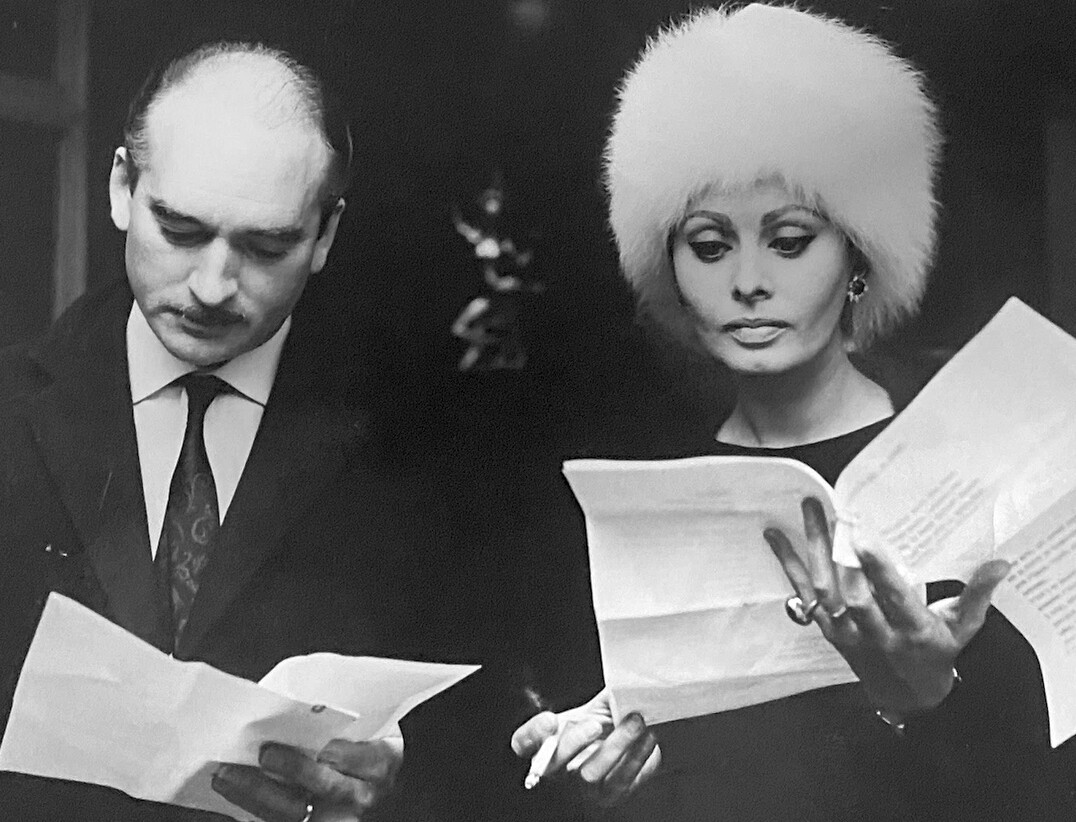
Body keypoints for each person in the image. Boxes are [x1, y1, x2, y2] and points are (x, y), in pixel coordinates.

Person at [511, 4, 1076, 819]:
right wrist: (587, 769)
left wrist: (927, 700)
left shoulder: (994, 448)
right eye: (710, 246)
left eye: (789, 240)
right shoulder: (631, 494)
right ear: (668, 268)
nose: (748, 282)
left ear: (859, 256)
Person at [0, 42, 457, 822]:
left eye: (265, 247)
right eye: (180, 231)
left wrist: (392, 784)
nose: (212, 288)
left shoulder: (420, 447)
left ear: (325, 235)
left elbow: (485, 730)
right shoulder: (11, 408)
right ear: (121, 188)